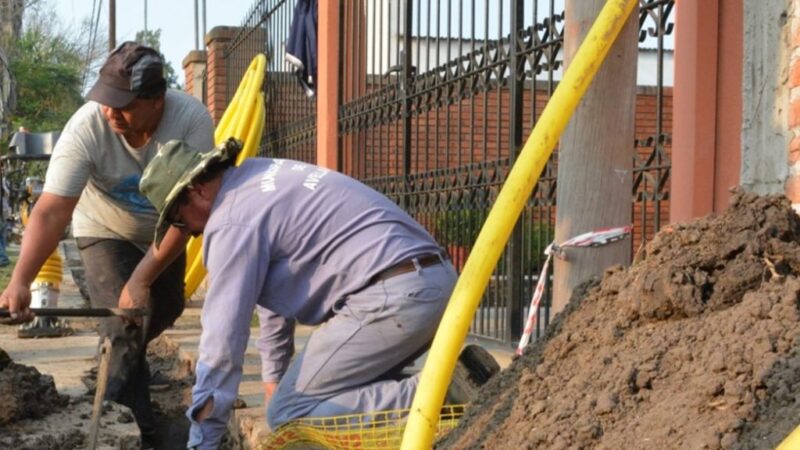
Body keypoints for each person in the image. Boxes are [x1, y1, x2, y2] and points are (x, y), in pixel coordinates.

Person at [138, 138, 459, 449]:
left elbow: (220, 348)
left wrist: (202, 442)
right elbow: (273, 299)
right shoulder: (257, 176)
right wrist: (274, 380)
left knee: (290, 413)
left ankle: (446, 392)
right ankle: (447, 383)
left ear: (197, 190)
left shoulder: (229, 222)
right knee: (320, 397)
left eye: (180, 220)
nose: (191, 233)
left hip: (394, 296)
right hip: (433, 281)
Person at [0, 42, 214, 449]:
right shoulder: (86, 128)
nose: (111, 112)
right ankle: (132, 430)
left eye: (124, 104)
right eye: (104, 102)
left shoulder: (190, 122)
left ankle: (127, 361)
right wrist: (21, 281)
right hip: (103, 228)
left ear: (157, 101)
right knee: (122, 322)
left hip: (166, 229)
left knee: (164, 308)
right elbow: (50, 212)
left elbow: (189, 214)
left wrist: (142, 278)